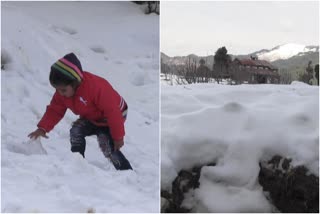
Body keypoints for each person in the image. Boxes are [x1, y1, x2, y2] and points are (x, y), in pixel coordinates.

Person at [28, 53, 132, 170]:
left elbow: (113, 112)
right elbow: (55, 110)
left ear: (75, 82)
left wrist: (118, 136)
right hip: (92, 117)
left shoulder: (96, 88)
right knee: (76, 131)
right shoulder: (62, 93)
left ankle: (125, 171)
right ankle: (77, 162)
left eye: (63, 90)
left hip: (113, 115)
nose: (60, 93)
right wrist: (42, 128)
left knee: (107, 144)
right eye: (57, 89)